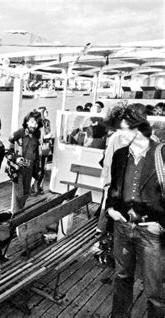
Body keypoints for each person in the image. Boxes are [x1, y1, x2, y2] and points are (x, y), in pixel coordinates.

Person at [104, 104, 164, 317]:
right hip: (122, 227)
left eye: (121, 129)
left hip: (151, 233)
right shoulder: (120, 155)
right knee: (121, 278)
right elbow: (114, 189)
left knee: (155, 290)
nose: (118, 134)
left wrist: (162, 225)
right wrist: (110, 208)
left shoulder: (161, 154)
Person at [7, 110, 42, 213]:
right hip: (18, 169)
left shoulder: (37, 135)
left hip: (29, 168)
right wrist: (16, 158)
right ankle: (16, 215)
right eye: (31, 122)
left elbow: (36, 155)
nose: (33, 125)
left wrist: (37, 172)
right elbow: (8, 151)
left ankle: (18, 212)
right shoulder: (19, 133)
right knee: (19, 193)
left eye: (36, 123)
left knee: (26, 192)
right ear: (26, 122)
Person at [32, 106, 53, 195]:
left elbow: (48, 132)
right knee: (38, 168)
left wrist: (48, 136)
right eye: (44, 111)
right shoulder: (35, 123)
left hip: (45, 147)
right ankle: (34, 186)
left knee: (43, 168)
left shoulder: (47, 122)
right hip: (37, 148)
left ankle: (39, 186)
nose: (46, 113)